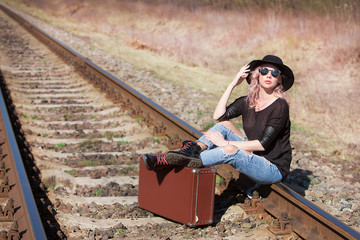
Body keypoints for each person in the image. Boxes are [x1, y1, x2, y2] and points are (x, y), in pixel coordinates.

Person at [143, 55, 294, 186]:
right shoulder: (248, 101)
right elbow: (219, 116)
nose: (269, 76)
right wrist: (232, 84)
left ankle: (172, 159)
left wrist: (225, 143)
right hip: (253, 155)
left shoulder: (280, 106)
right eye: (264, 71)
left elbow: (261, 144)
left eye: (275, 73)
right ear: (257, 75)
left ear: (280, 79)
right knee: (224, 125)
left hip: (271, 167)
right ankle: (189, 152)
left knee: (230, 151)